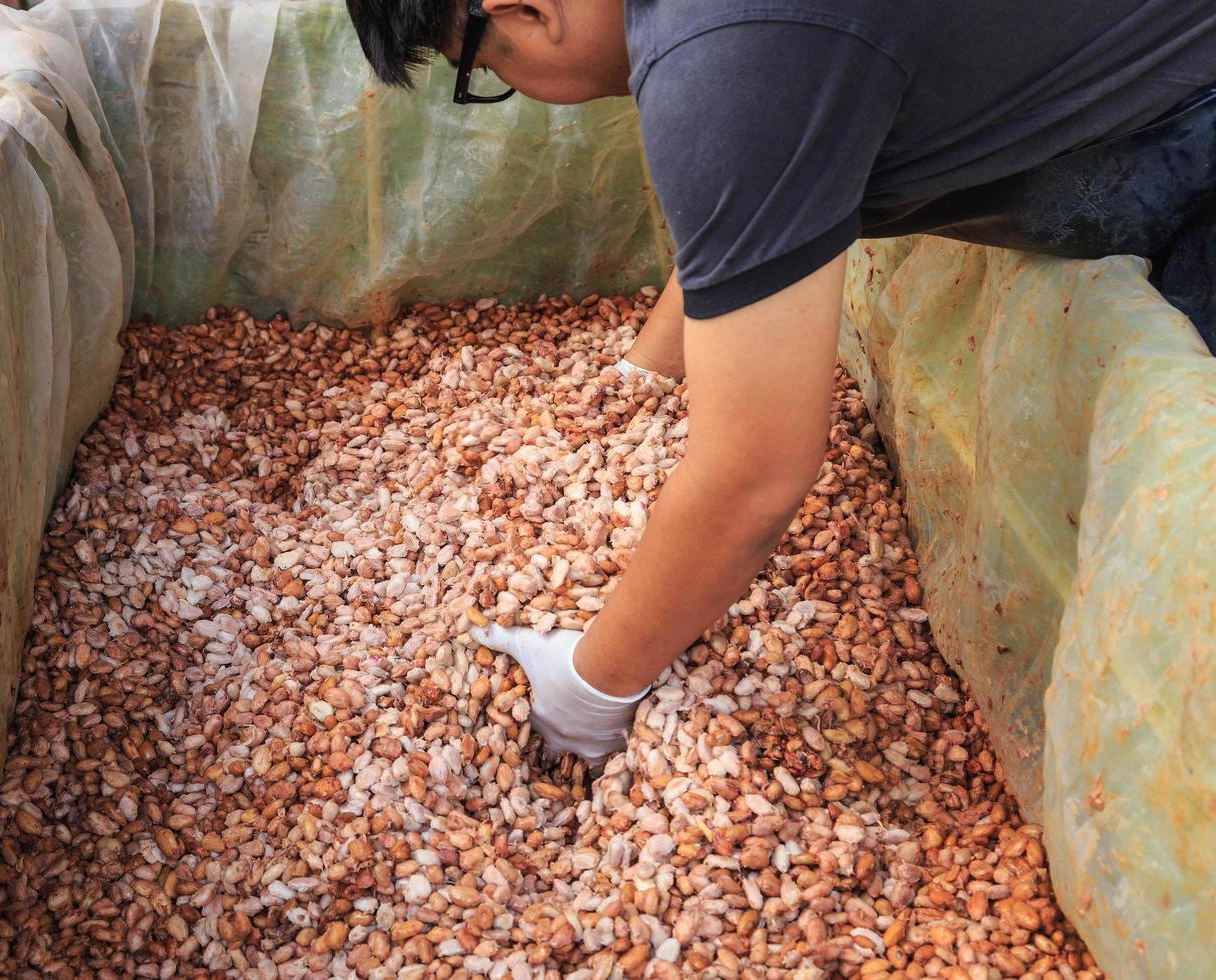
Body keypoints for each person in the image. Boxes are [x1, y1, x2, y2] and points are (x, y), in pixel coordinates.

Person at [343, 0, 1216, 766]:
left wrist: (593, 685)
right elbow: (758, 198)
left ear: (527, 10)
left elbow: (756, 474)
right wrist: (642, 380)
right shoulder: (723, 46)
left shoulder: (718, 53)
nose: (512, 79)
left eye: (487, 63)